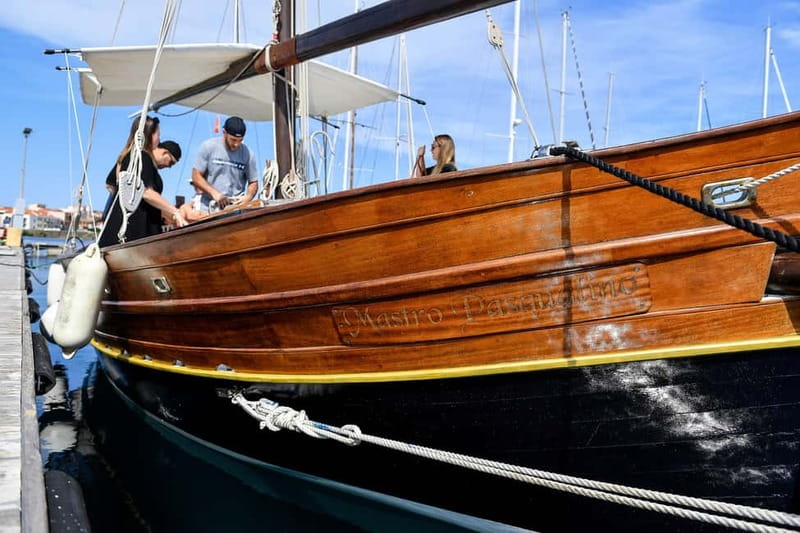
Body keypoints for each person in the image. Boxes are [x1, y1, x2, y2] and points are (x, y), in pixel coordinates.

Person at [99, 138, 187, 247]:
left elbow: (110, 184)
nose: (169, 167)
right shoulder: (142, 160)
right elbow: (146, 193)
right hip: (134, 232)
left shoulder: (138, 160)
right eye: (171, 162)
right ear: (165, 152)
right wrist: (175, 212)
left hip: (137, 231)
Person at [191, 116, 258, 212]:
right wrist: (215, 193)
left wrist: (249, 196)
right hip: (209, 208)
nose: (236, 144)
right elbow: (196, 176)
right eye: (233, 140)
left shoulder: (248, 153)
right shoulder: (208, 147)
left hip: (235, 208)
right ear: (224, 133)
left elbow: (253, 182)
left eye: (240, 141)